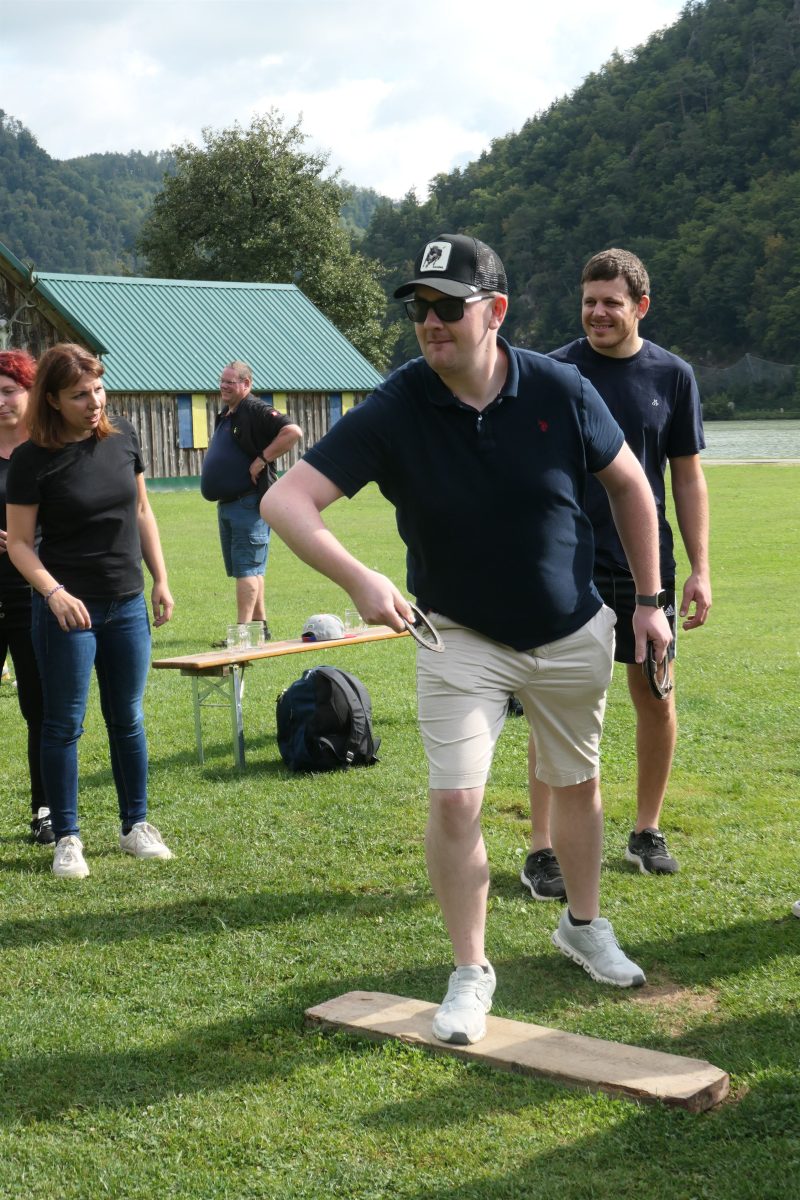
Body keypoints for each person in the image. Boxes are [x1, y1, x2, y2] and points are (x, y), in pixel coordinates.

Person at [262, 233, 672, 1045]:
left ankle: (583, 927)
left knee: (578, 783)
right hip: (457, 635)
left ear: (496, 311)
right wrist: (359, 579)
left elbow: (632, 485)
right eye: (420, 307)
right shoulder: (399, 402)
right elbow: (286, 501)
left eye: (449, 306)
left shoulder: (560, 387)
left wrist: (649, 603)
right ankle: (470, 970)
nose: (431, 321)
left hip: (570, 629)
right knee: (456, 798)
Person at [520, 248, 710, 903]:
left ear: (641, 307)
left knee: (655, 695)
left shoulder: (673, 375)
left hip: (645, 566)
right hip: (567, 564)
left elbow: (686, 478)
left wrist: (701, 568)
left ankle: (646, 829)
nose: (597, 313)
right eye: (589, 301)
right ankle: (542, 847)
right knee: (556, 703)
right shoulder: (554, 371)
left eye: (611, 302)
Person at [6, 342, 175, 879]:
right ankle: (67, 837)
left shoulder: (124, 437)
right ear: (52, 399)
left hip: (126, 603)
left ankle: (135, 826)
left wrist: (160, 579)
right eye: (80, 395)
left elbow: (142, 510)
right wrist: (53, 593)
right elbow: (19, 544)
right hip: (66, 613)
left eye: (99, 389)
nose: (95, 402)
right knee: (63, 724)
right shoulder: (32, 459)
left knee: (127, 717)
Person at [200, 361, 302, 641]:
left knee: (247, 568)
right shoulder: (228, 413)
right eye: (222, 381)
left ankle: (242, 634)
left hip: (248, 502)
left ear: (246, 384)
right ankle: (259, 627)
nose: (223, 386)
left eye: (230, 382)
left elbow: (293, 431)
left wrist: (262, 459)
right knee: (250, 569)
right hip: (230, 503)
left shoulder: (254, 408)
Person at [0, 349, 51, 844]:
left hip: (33, 598)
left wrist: (24, 540)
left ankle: (44, 810)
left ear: (30, 392)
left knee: (40, 709)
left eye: (8, 390)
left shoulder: (45, 451)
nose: (0, 401)